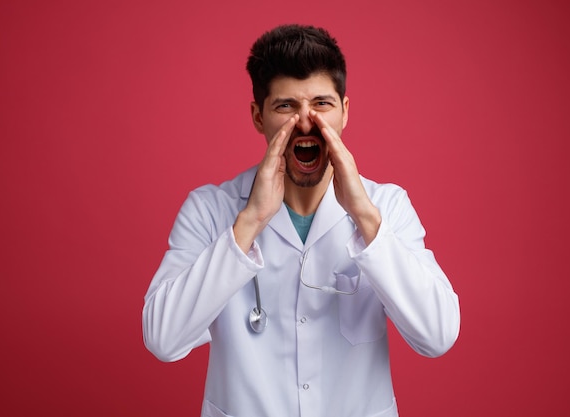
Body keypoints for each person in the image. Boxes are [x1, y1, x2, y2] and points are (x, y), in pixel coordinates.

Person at [142, 24, 460, 417]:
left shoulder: (386, 206)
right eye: (285, 107)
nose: (306, 122)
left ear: (345, 111)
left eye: (322, 104)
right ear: (259, 117)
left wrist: (364, 216)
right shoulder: (211, 210)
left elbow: (438, 335)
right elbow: (162, 338)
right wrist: (250, 223)